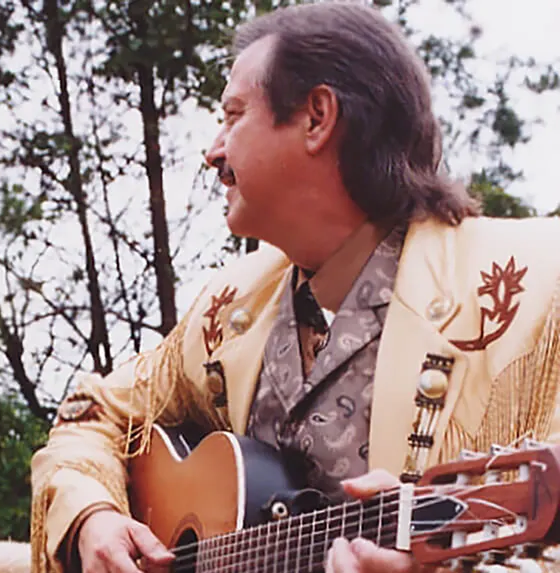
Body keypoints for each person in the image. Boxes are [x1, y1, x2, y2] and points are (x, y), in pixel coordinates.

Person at [29, 2, 560, 573]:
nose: (213, 152)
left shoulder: (538, 283)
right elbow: (92, 416)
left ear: (316, 117)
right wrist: (95, 516)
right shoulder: (226, 308)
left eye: (233, 115)